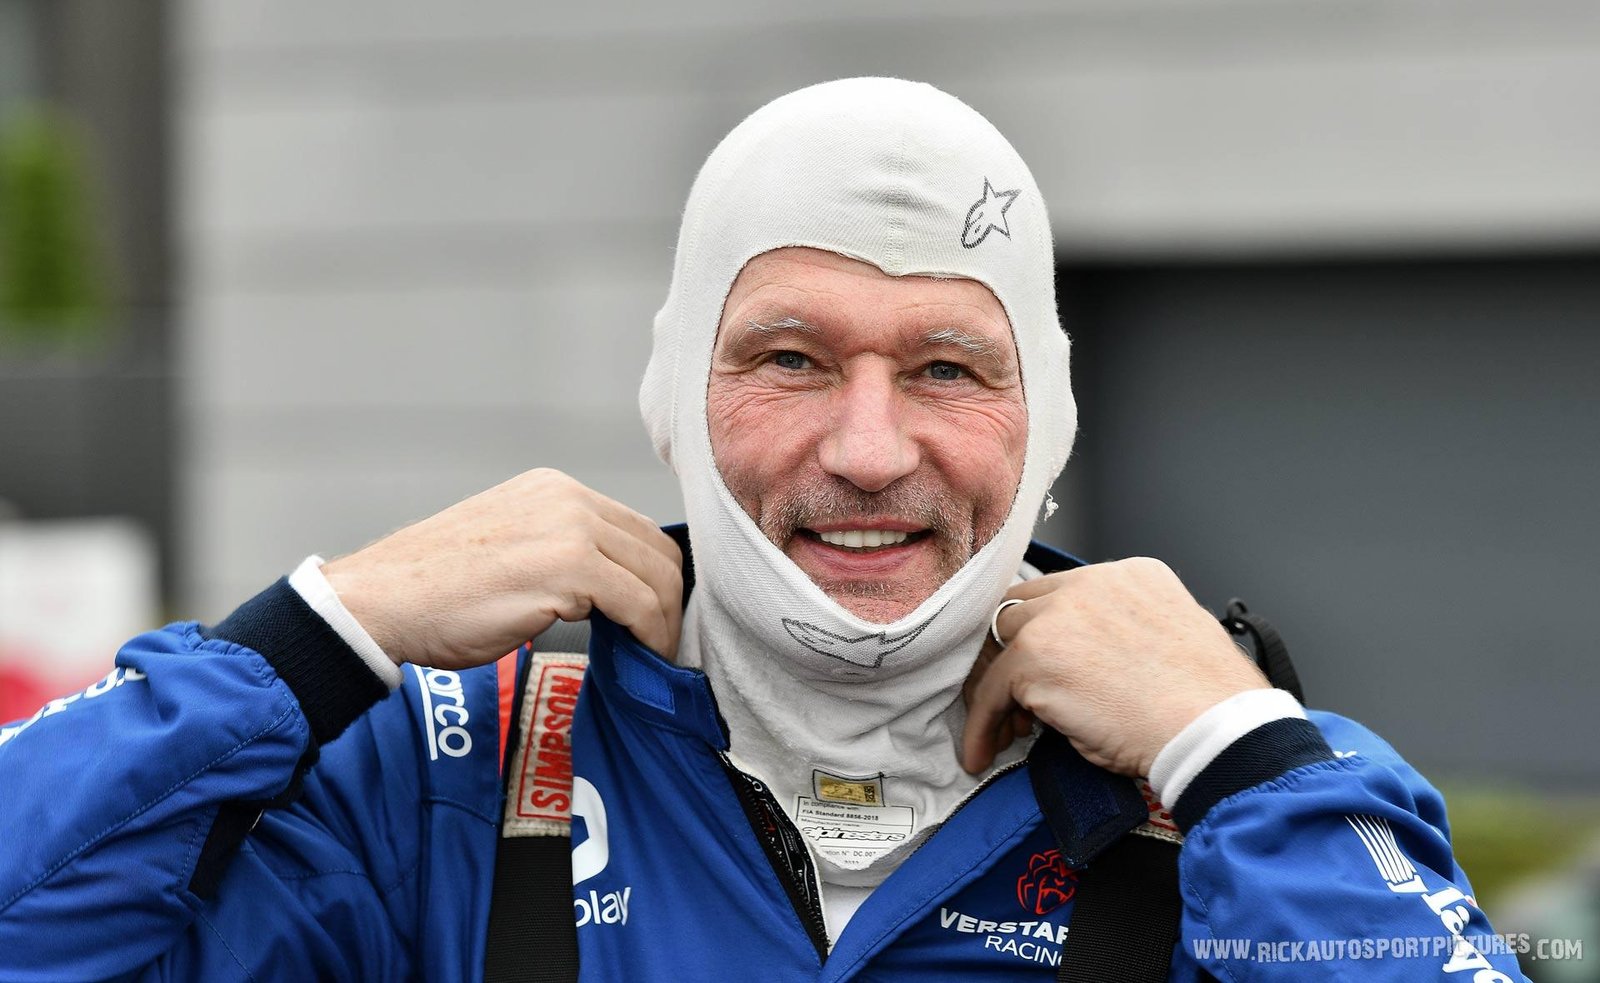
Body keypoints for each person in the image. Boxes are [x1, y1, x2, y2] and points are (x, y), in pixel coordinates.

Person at [0, 78, 1525, 981]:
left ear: (1047, 419)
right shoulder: (442, 773)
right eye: (790, 359)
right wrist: (315, 638)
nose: (867, 451)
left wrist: (1236, 748)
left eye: (948, 369)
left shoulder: (1241, 798)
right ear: (676, 393)